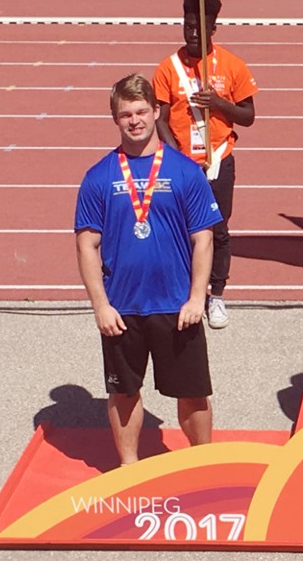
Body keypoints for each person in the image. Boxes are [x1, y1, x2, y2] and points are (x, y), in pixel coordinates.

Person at [75, 74, 223, 466]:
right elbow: (87, 246)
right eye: (126, 114)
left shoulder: (185, 172)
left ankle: (202, 463)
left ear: (156, 112)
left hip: (177, 307)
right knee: (124, 392)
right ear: (115, 118)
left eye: (142, 111)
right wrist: (101, 306)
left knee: (192, 392)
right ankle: (128, 467)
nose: (135, 120)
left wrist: (197, 297)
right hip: (123, 309)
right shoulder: (98, 177)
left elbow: (203, 239)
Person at [153, 0, 258, 329]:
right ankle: (185, 292)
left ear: (214, 27)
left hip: (219, 161)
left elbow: (248, 115)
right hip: (183, 163)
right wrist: (178, 157)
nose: (193, 33)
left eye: (201, 27)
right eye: (188, 26)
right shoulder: (167, 69)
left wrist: (219, 103)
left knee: (218, 230)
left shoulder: (232, 66)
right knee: (182, 230)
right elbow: (160, 118)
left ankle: (217, 295)